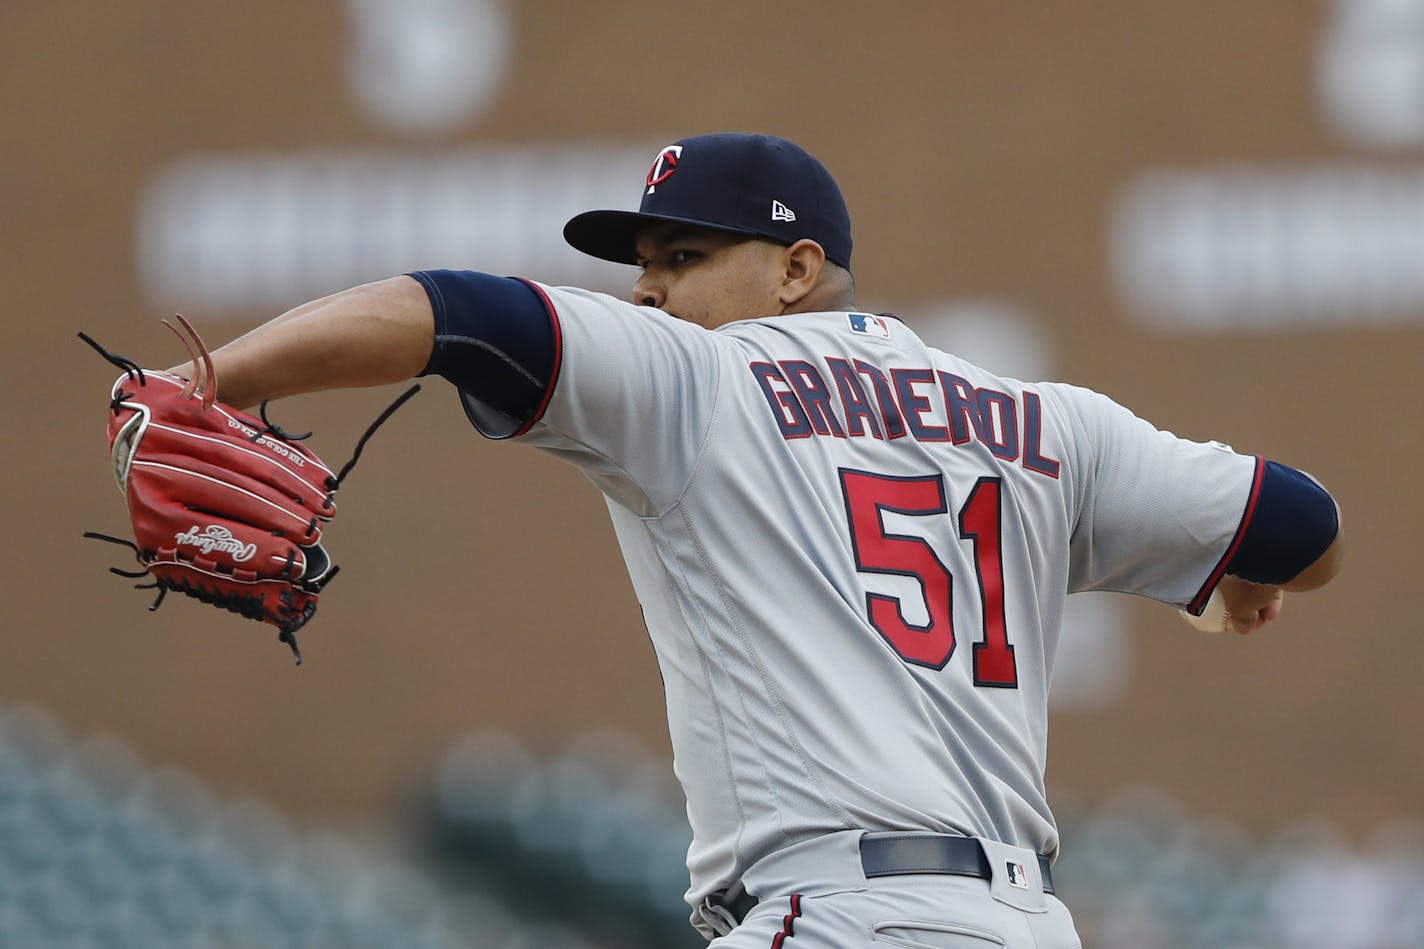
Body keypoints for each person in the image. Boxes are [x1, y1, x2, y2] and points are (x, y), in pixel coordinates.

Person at [168, 133, 1344, 947]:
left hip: (830, 912)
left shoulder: (702, 380)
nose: (647, 293)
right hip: (1024, 918)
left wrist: (207, 378)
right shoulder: (1042, 425)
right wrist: (1239, 579)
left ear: (795, 270)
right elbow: (1304, 521)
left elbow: (452, 312)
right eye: (641, 266)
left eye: (681, 258)